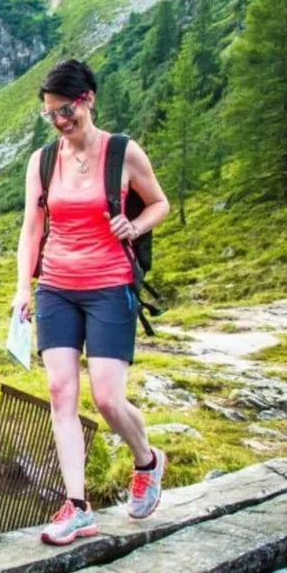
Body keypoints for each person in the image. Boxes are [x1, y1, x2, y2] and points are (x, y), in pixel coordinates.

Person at [12, 59, 171, 547]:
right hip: (56, 286)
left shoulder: (123, 153)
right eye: (50, 114)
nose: (60, 121)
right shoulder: (42, 161)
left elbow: (160, 203)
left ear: (89, 99)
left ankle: (147, 460)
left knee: (106, 398)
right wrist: (23, 287)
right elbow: (32, 228)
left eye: (67, 110)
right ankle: (77, 506)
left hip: (109, 286)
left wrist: (135, 225)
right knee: (61, 393)